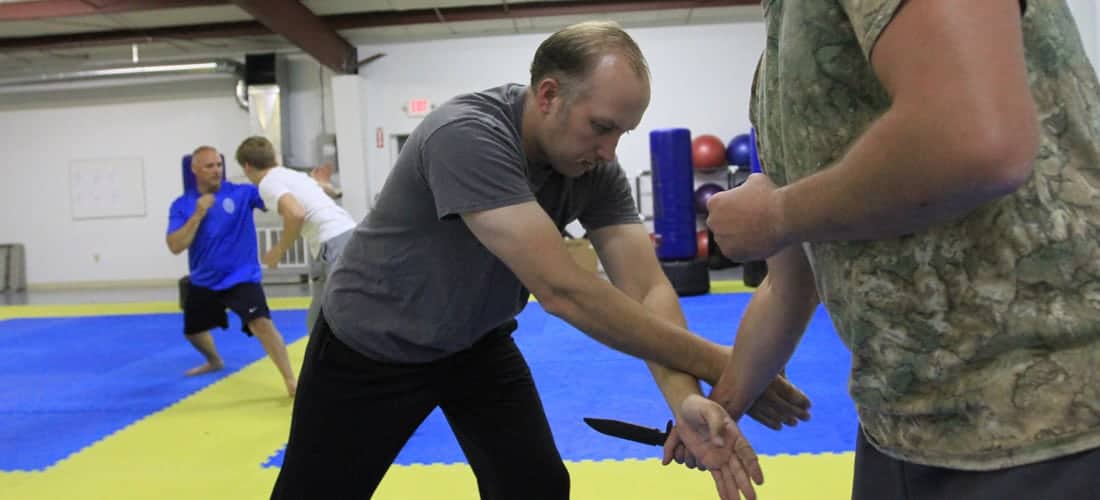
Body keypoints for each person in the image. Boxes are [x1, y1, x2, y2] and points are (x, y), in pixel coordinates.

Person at [271, 21, 810, 500]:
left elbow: (646, 290)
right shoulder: (467, 135)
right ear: (549, 94)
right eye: (602, 127)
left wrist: (683, 398)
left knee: (536, 487)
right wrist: (731, 367)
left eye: (622, 133)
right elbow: (563, 290)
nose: (609, 152)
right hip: (370, 349)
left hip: (474, 345)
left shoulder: (593, 170)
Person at [702, 1, 1100, 498]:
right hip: (899, 428)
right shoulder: (777, 57)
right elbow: (793, 282)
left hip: (1052, 419)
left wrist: (777, 214)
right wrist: (725, 407)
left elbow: (977, 137)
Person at [166, 145, 298, 398]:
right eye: (209, 166)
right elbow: (175, 246)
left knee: (261, 323)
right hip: (204, 280)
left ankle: (291, 380)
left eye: (219, 165)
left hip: (241, 277)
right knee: (193, 331)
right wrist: (197, 214)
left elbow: (277, 197)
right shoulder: (182, 205)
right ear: (195, 170)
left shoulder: (242, 193)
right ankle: (214, 360)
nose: (216, 170)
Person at [236, 136, 357, 330]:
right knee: (322, 317)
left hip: (333, 242)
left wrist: (280, 249)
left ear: (247, 166)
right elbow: (325, 190)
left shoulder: (267, 183)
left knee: (332, 319)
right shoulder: (290, 175)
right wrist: (326, 185)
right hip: (347, 236)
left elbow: (296, 213)